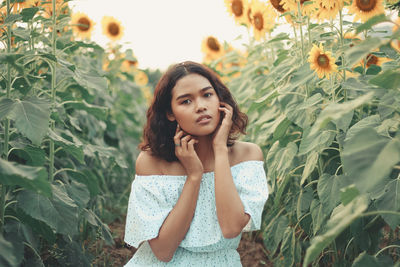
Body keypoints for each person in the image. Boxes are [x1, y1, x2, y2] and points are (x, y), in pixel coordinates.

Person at [123, 61, 269, 266]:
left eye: (207, 95)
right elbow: (163, 251)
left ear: (221, 100)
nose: (201, 106)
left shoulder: (248, 155)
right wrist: (194, 176)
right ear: (170, 113)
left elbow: (230, 227)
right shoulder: (151, 163)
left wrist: (219, 150)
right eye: (186, 101)